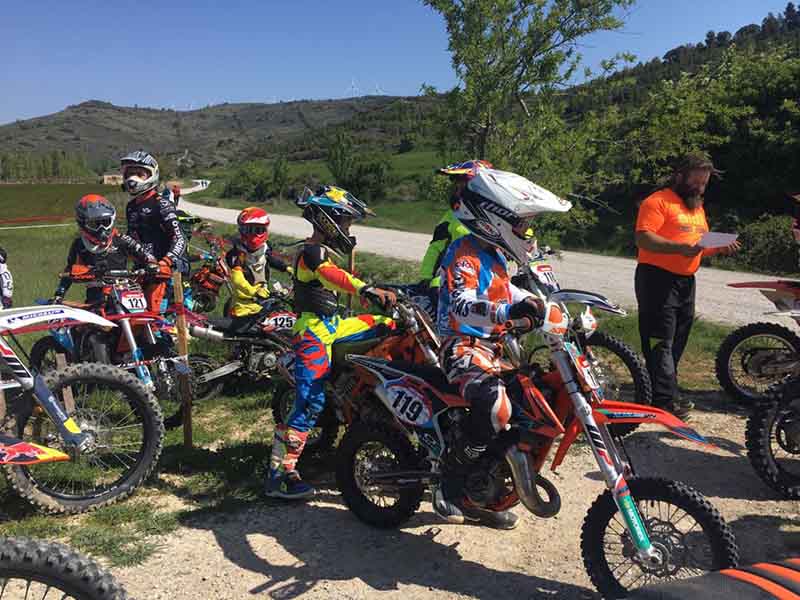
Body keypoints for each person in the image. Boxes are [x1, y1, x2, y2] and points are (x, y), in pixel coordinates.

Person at [265, 185, 397, 500]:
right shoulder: (312, 252)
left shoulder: (322, 250)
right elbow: (331, 277)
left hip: (333, 326)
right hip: (312, 334)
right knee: (310, 402)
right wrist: (366, 290)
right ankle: (279, 476)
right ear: (330, 220)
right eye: (348, 222)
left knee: (390, 325)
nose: (349, 229)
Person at [435, 166, 548, 530]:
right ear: (493, 220)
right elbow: (462, 305)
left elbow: (509, 291)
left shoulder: (496, 257)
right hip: (461, 346)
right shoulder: (463, 253)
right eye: (521, 225)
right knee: (496, 408)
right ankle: (450, 481)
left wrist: (541, 305)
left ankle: (485, 486)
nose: (526, 233)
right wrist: (508, 311)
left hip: (495, 348)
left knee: (530, 404)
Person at [634, 152, 740, 419]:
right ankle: (665, 401)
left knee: (677, 340)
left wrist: (718, 248)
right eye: (696, 183)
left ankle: (661, 391)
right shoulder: (657, 201)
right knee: (662, 340)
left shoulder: (696, 208)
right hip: (657, 279)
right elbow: (644, 239)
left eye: (704, 184)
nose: (700, 188)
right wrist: (681, 248)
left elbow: (698, 248)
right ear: (679, 176)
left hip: (685, 282)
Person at [53, 195, 156, 305]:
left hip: (124, 290)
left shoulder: (122, 239)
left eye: (105, 222)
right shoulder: (79, 244)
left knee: (144, 316)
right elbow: (69, 271)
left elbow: (146, 255)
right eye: (94, 224)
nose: (101, 229)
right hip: (96, 296)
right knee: (94, 319)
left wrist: (151, 264)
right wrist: (59, 294)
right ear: (83, 224)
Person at [121, 150, 187, 312]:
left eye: (139, 174)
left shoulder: (161, 204)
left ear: (152, 175)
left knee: (157, 318)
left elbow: (180, 238)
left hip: (164, 272)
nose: (132, 178)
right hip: (141, 270)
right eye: (129, 174)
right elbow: (132, 238)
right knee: (133, 315)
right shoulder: (131, 207)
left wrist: (166, 262)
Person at [225, 206, 290, 332]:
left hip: (264, 300)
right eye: (249, 230)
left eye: (258, 230)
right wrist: (253, 292)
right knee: (244, 337)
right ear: (241, 230)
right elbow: (237, 278)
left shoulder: (266, 248)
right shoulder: (237, 253)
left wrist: (287, 268)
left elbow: (270, 259)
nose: (253, 234)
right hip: (244, 305)